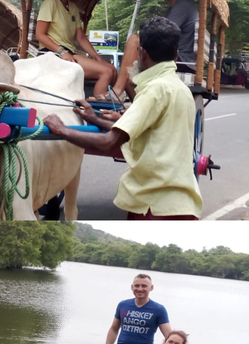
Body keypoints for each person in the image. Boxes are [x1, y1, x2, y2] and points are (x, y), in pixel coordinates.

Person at [44, 17, 203, 220]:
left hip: (155, 207)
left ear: (142, 54)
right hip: (178, 204)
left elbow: (109, 143)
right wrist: (93, 118)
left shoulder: (155, 90)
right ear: (176, 55)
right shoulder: (178, 88)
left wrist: (61, 129)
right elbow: (136, 130)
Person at [103, 0, 198, 102]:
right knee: (128, 78)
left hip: (180, 60)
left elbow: (161, 34)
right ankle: (141, 107)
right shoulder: (177, 6)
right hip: (174, 56)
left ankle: (118, 91)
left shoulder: (183, 6)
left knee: (134, 40)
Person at [34, 0, 118, 99]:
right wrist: (61, 51)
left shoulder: (73, 7)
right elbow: (40, 35)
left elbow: (81, 37)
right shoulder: (50, 2)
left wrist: (97, 58)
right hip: (53, 53)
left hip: (70, 53)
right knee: (106, 72)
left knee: (113, 70)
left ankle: (109, 105)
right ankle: (97, 110)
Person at [101, 273, 173, 344]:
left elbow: (169, 336)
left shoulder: (159, 309)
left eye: (144, 286)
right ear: (132, 287)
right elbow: (114, 329)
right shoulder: (123, 305)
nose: (140, 289)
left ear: (151, 288)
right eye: (137, 285)